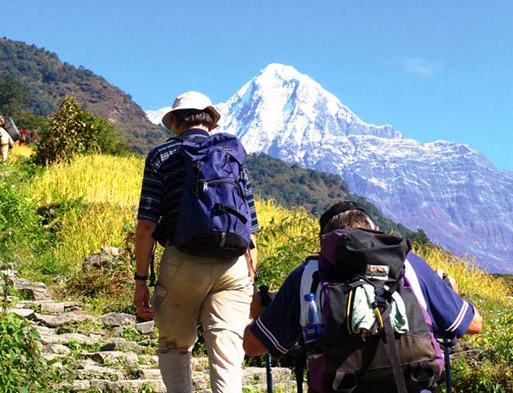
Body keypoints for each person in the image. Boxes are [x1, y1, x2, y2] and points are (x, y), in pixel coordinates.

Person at [243, 200, 483, 392]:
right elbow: (473, 325)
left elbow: (252, 346)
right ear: (376, 232)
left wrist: (254, 311)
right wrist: (451, 294)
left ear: (323, 244)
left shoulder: (308, 275)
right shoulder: (409, 265)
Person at [133, 91, 260, 393]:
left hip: (183, 260)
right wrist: (250, 276)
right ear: (211, 123)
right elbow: (251, 228)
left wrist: (140, 280)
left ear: (175, 122)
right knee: (227, 352)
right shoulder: (232, 156)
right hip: (232, 264)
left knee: (175, 345)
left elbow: (147, 225)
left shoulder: (162, 156)